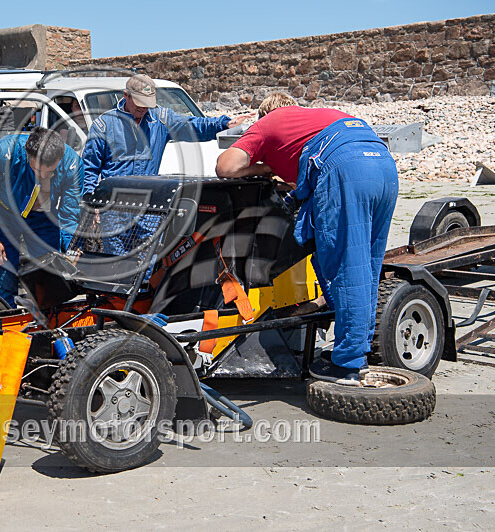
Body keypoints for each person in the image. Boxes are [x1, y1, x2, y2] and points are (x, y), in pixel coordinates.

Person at [215, 92, 399, 386]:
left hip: (344, 167)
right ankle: (355, 352)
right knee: (366, 265)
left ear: (266, 114)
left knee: (345, 267)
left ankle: (347, 366)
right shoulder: (321, 116)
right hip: (383, 166)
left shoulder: (267, 123)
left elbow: (225, 166)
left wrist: (264, 168)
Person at [0, 128, 84, 307]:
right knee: (5, 278)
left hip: (44, 220)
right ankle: (4, 320)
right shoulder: (1, 153)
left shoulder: (72, 165)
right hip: (5, 216)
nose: (43, 176)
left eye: (50, 171)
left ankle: (49, 324)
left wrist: (71, 251)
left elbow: (69, 215)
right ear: (29, 155)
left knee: (49, 279)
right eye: (37, 170)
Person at [82, 73, 251, 196]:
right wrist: (89, 197)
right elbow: (89, 167)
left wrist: (223, 124)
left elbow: (193, 125)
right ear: (126, 96)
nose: (143, 108)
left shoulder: (161, 119)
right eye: (139, 103)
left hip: (148, 203)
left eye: (147, 104)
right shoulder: (103, 125)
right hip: (113, 206)